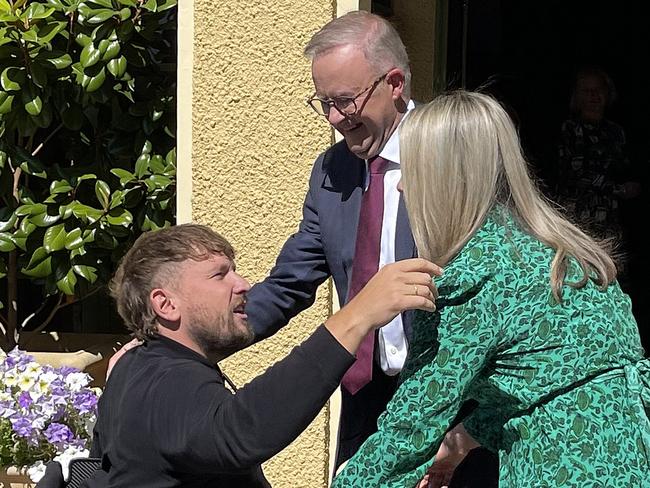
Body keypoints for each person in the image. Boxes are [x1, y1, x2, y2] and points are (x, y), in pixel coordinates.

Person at [332, 91, 650, 487]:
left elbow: (411, 427)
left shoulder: (472, 277)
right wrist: (462, 441)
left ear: (445, 178)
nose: (401, 188)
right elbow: (552, 383)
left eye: (413, 170)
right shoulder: (567, 255)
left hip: (561, 469)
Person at [64, 224, 437, 487]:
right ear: (165, 304)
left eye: (235, 271)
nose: (242, 284)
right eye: (219, 275)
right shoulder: (166, 378)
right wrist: (355, 318)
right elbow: (240, 431)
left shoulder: (142, 366)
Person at [245, 10, 418, 468]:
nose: (334, 118)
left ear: (394, 84)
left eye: (344, 100)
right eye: (322, 103)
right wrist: (202, 333)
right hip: (365, 396)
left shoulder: (454, 155)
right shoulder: (331, 171)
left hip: (447, 395)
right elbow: (290, 282)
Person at [553, 66, 640, 275]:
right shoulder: (568, 129)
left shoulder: (616, 132)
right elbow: (575, 173)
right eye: (586, 90)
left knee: (613, 272)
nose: (593, 95)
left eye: (598, 89)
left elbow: (627, 167)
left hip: (612, 220)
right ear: (577, 96)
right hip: (578, 220)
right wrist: (617, 188)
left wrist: (633, 186)